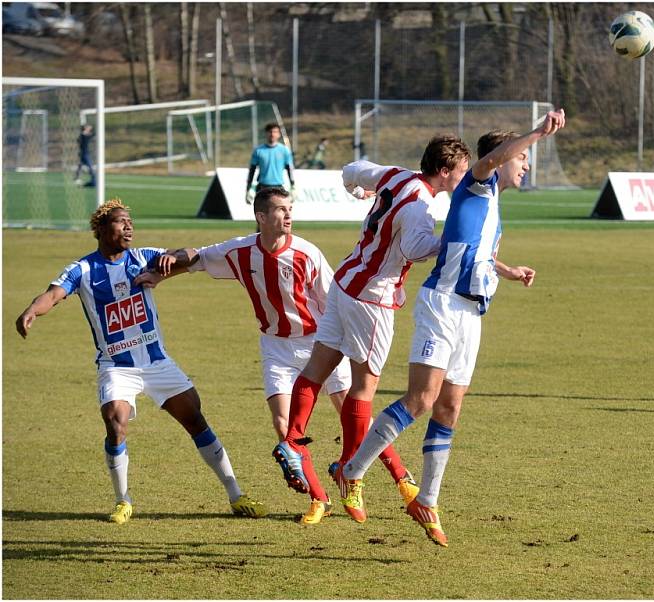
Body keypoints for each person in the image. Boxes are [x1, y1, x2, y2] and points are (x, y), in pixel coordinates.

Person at [339, 110, 567, 547]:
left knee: (449, 409)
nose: (526, 165)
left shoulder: (492, 206)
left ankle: (427, 499)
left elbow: (466, 248)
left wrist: (507, 268)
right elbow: (496, 156)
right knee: (420, 399)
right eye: (522, 159)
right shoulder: (478, 182)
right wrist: (538, 132)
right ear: (503, 159)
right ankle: (352, 471)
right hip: (441, 306)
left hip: (471, 314)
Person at [15, 199, 266, 524]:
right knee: (115, 422)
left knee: (195, 420)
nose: (128, 226)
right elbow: (52, 294)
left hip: (156, 362)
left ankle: (236, 495)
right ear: (102, 229)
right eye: (120, 222)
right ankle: (123, 501)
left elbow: (191, 254)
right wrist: (32, 311)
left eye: (130, 221)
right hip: (116, 367)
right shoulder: (83, 269)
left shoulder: (142, 257)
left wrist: (171, 257)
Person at [272, 134, 472, 525]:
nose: (464, 179)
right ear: (445, 171)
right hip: (373, 298)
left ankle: (293, 440)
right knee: (363, 388)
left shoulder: (395, 176)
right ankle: (350, 472)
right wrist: (453, 242)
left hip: (345, 281)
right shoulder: (420, 205)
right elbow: (415, 249)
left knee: (317, 368)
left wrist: (357, 190)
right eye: (462, 172)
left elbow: (351, 171)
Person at [134, 186, 353, 525]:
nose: (289, 215)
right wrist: (161, 274)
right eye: (281, 209)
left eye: (290, 208)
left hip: (318, 343)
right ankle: (319, 498)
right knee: (283, 426)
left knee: (351, 416)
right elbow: (198, 258)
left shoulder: (307, 254)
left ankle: (366, 478)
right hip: (275, 347)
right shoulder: (241, 251)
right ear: (262, 217)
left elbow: (335, 301)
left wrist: (344, 343)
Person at [246, 123, 294, 204]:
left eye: (275, 132)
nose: (272, 134)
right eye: (270, 132)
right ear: (266, 133)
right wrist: (249, 187)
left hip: (278, 187)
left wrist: (293, 186)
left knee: (278, 213)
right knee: (262, 213)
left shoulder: (284, 150)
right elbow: (252, 170)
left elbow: (289, 169)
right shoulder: (258, 150)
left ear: (279, 134)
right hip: (262, 186)